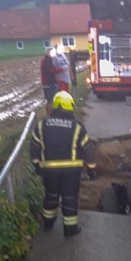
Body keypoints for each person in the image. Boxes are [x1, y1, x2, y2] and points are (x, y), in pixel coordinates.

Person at [30, 91, 97, 237]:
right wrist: (91, 169)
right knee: (69, 198)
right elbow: (88, 149)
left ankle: (48, 223)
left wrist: (37, 165)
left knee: (51, 195)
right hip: (71, 172)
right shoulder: (77, 127)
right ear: (70, 107)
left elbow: (34, 147)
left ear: (55, 106)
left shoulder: (42, 125)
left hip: (48, 171)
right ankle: (70, 229)